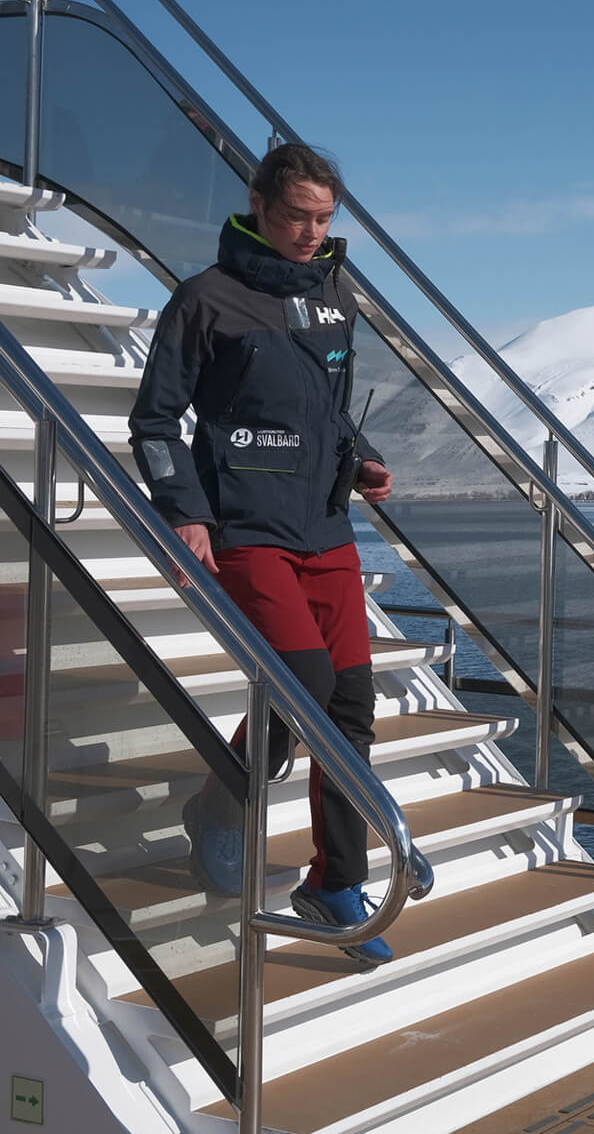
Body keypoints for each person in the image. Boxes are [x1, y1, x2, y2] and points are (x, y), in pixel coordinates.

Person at [129, 143, 397, 965]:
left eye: (323, 219)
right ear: (257, 203)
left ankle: (333, 884)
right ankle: (221, 804)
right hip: (245, 529)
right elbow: (154, 422)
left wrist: (362, 459)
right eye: (295, 217)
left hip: (325, 529)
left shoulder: (334, 295)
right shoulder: (206, 300)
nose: (311, 233)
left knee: (350, 705)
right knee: (303, 685)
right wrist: (185, 514)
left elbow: (327, 412)